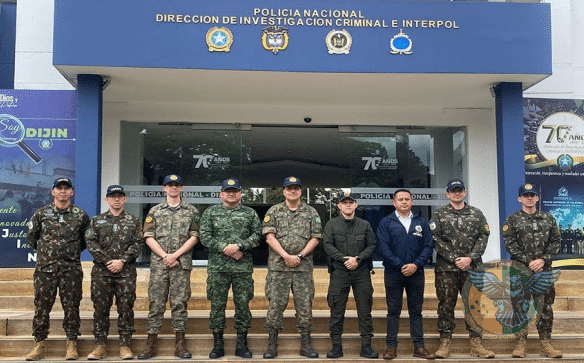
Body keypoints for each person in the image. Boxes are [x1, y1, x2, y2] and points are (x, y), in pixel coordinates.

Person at [25, 178, 90, 361]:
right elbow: (32, 238)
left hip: (71, 270)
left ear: (72, 192)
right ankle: (39, 344)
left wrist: (68, 253)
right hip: (46, 269)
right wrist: (49, 254)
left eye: (66, 189)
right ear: (52, 192)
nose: (62, 191)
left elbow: (86, 240)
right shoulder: (41, 213)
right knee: (42, 306)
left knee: (72, 306)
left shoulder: (80, 215)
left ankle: (71, 343)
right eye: (59, 188)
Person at [429, 179, 495, 358]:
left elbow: (484, 236)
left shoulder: (477, 213)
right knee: (446, 305)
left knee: (474, 305)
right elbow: (435, 239)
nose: (457, 194)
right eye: (453, 191)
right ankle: (445, 345)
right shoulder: (439, 215)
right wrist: (455, 259)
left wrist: (469, 258)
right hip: (446, 269)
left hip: (472, 268)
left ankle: (476, 345)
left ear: (464, 192)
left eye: (460, 190)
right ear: (447, 194)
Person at [138, 174, 200, 359]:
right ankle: (150, 345)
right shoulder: (154, 211)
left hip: (181, 264)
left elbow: (195, 236)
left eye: (177, 185)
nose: (173, 188)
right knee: (156, 304)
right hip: (160, 264)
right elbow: (148, 236)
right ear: (164, 188)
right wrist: (165, 256)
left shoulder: (191, 211)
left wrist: (175, 255)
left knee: (179, 304)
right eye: (170, 185)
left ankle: (180, 345)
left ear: (181, 188)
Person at [199, 178, 262, 359]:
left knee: (242, 305)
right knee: (217, 305)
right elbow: (204, 236)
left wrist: (239, 246)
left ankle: (242, 343)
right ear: (221, 194)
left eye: (235, 191)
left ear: (240, 194)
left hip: (242, 268)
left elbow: (257, 236)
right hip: (218, 268)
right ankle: (218, 344)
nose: (231, 193)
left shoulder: (250, 213)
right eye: (227, 191)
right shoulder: (210, 213)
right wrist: (226, 248)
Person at [262, 176, 322, 359]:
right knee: (275, 305)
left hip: (302, 268)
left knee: (304, 306)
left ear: (301, 191)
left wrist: (299, 256)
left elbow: (316, 237)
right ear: (283, 191)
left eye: (296, 188)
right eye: (289, 188)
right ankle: (272, 344)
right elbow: (269, 237)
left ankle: (306, 343)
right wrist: (286, 256)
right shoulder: (274, 211)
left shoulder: (311, 212)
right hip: (279, 268)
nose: (293, 191)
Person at [502, 183, 562, 358]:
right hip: (520, 270)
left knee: (544, 307)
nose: (529, 198)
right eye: (526, 195)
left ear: (537, 198)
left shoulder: (548, 218)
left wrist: (543, 260)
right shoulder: (511, 220)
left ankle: (546, 344)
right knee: (520, 307)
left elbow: (556, 242)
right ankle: (520, 344)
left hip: (543, 270)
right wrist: (530, 262)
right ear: (519, 198)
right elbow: (510, 245)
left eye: (532, 195)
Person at [375, 189, 435, 360]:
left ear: (411, 201)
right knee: (393, 311)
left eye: (407, 199)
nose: (404, 202)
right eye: (400, 199)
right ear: (394, 203)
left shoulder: (421, 222)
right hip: (394, 273)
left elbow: (428, 246)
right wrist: (401, 265)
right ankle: (391, 347)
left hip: (416, 273)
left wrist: (416, 264)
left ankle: (419, 347)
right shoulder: (386, 222)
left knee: (416, 311)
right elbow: (382, 248)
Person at [85, 185, 143, 360]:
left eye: (120, 196)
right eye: (113, 196)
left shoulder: (134, 220)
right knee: (100, 308)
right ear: (107, 200)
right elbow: (90, 242)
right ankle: (100, 345)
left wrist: (122, 260)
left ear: (124, 199)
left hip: (126, 272)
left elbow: (138, 243)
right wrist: (108, 261)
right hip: (102, 272)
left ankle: (125, 345)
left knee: (126, 308)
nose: (116, 199)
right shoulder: (96, 220)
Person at [322, 192, 378, 359]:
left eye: (350, 202)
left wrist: (358, 259)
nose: (347, 205)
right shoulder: (331, 224)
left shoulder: (364, 224)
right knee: (337, 309)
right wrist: (344, 259)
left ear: (355, 205)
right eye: (344, 203)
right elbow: (327, 245)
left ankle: (366, 346)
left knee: (365, 309)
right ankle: (336, 346)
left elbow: (372, 245)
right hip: (340, 271)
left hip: (361, 271)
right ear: (339, 206)